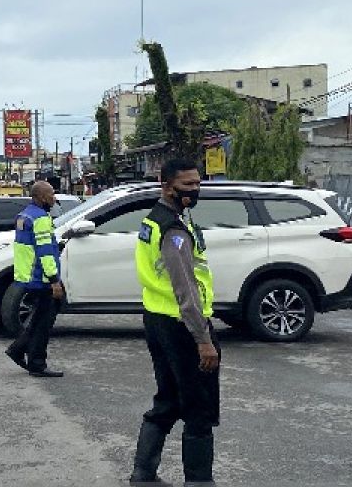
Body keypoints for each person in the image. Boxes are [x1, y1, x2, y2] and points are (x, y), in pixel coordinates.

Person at [130, 158, 220, 486]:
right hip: (182, 325)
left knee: (167, 398)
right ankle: (199, 481)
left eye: (198, 184)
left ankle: (143, 475)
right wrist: (203, 338)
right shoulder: (173, 229)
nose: (194, 190)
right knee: (198, 407)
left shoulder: (154, 220)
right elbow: (185, 286)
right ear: (166, 185)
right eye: (187, 185)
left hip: (158, 319)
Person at [4, 181, 65, 377]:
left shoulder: (25, 215)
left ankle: (17, 350)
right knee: (43, 322)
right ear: (40, 197)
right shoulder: (40, 218)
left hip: (29, 276)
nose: (53, 198)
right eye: (50, 195)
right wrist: (54, 280)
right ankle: (37, 363)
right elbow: (44, 251)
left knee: (39, 318)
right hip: (42, 277)